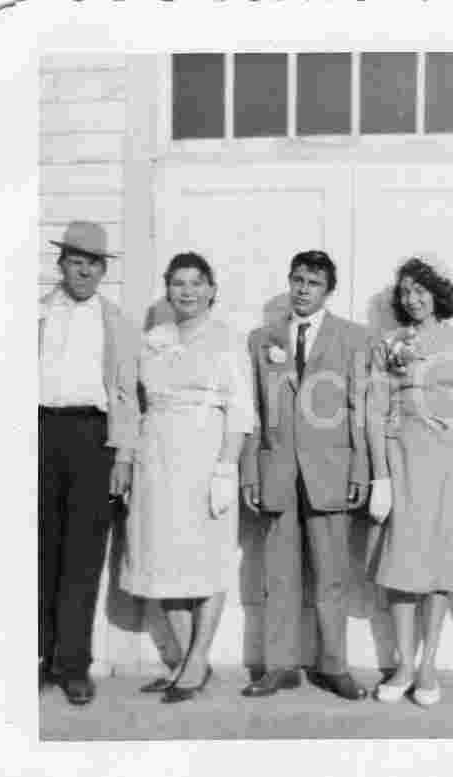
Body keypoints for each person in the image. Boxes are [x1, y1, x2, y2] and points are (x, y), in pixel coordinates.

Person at [120, 252, 254, 703]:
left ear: (212, 289)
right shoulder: (153, 340)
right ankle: (183, 659)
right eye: (178, 283)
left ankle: (197, 660)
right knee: (164, 558)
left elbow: (241, 411)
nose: (188, 291)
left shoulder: (227, 340)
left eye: (197, 283)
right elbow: (137, 402)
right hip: (156, 460)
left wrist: (226, 469)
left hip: (204, 459)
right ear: (168, 289)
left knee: (205, 558)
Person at [241, 250, 371, 701]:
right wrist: (250, 473)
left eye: (313, 283)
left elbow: (360, 409)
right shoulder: (262, 340)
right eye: (297, 279)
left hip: (331, 470)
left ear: (328, 291)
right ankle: (279, 666)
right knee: (279, 574)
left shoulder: (353, 338)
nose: (302, 289)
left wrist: (360, 469)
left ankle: (334, 666)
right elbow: (253, 411)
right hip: (277, 469)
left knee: (331, 575)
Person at [366, 257, 453, 707]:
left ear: (437, 293)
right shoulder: (389, 343)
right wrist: (380, 475)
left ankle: (429, 663)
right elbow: (375, 410)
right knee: (401, 562)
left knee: (438, 563)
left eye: (421, 290)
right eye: (406, 292)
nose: (413, 299)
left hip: (448, 463)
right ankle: (404, 665)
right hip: (402, 460)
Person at [39, 221, 139, 705]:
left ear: (103, 271)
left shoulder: (115, 321)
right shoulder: (34, 313)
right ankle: (38, 657)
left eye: (92, 263)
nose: (83, 271)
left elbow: (127, 395)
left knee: (83, 555)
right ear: (61, 264)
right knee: (38, 550)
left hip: (93, 438)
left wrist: (123, 455)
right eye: (75, 261)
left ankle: (73, 665)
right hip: (39, 431)